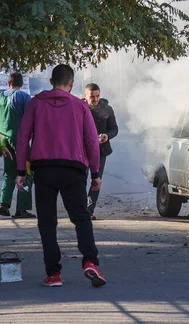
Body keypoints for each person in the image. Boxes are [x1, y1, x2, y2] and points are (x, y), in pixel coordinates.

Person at [15, 64, 107, 288]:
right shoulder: (79, 105)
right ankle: (90, 262)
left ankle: (54, 273)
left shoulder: (36, 103)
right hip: (74, 169)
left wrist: (20, 171)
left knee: (47, 223)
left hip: (43, 169)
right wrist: (95, 173)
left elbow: (22, 137)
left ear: (50, 81)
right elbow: (92, 143)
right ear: (71, 82)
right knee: (81, 218)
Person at [0, 73, 35, 219]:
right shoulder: (24, 97)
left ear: (8, 84)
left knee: (9, 172)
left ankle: (3, 204)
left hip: (3, 140)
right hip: (19, 140)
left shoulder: (1, 97)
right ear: (21, 84)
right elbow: (30, 118)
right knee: (27, 172)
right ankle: (22, 209)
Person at [83, 83, 118, 220]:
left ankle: (89, 210)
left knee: (96, 181)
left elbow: (114, 128)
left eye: (97, 96)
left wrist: (107, 136)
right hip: (82, 151)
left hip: (100, 151)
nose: (95, 99)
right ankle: (80, 209)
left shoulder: (107, 109)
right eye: (92, 96)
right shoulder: (79, 108)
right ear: (85, 96)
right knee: (80, 180)